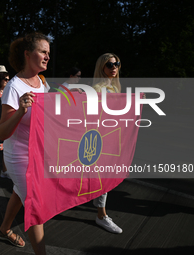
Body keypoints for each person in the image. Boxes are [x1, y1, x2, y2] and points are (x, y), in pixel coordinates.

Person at [0, 32, 50, 255]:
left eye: (49, 53)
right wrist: (20, 110)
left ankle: (4, 229)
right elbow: (1, 133)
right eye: (43, 52)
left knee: (20, 192)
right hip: (18, 156)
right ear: (28, 54)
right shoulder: (14, 87)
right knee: (35, 205)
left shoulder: (42, 82)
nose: (47, 56)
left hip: (38, 153)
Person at [91, 53, 122, 234]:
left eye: (116, 64)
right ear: (102, 67)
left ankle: (100, 212)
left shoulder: (114, 88)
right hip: (101, 137)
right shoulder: (99, 89)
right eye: (109, 65)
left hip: (110, 136)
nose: (114, 67)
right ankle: (101, 215)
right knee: (104, 176)